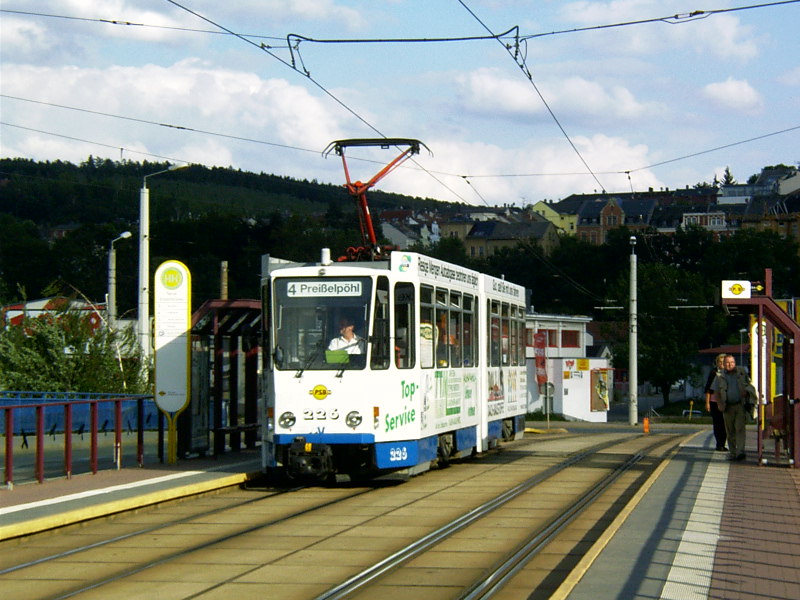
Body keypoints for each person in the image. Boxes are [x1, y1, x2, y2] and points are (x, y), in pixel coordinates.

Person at [711, 354, 754, 462]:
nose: (730, 365)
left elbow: (749, 384)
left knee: (740, 428)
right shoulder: (719, 376)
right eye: (727, 363)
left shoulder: (741, 373)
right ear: (724, 364)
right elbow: (716, 391)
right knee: (730, 431)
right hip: (727, 406)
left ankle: (740, 452)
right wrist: (719, 404)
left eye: (732, 362)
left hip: (739, 405)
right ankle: (733, 452)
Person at [704, 353, 727, 451]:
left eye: (723, 362)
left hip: (726, 401)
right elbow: (708, 389)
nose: (721, 364)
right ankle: (719, 444)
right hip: (714, 401)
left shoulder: (728, 373)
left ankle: (723, 443)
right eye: (720, 362)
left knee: (725, 423)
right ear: (717, 363)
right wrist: (707, 402)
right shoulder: (713, 373)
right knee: (717, 423)